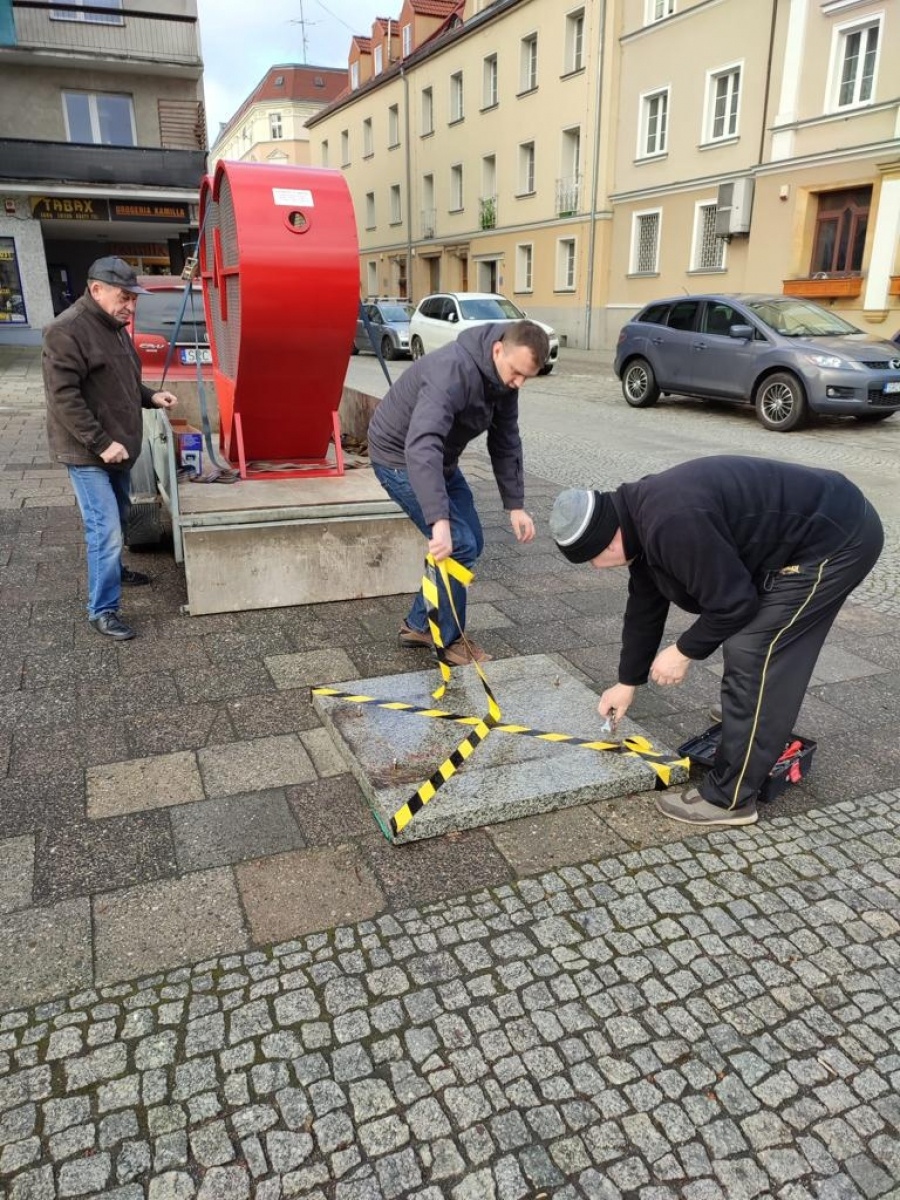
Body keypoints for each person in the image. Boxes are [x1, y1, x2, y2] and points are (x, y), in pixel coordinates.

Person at [550, 456, 883, 827]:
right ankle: (751, 720)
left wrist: (683, 651)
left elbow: (735, 604)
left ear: (610, 539)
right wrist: (627, 682)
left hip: (837, 541)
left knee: (754, 648)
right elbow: (645, 605)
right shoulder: (637, 516)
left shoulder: (671, 523)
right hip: (809, 528)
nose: (596, 568)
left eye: (593, 558)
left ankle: (730, 798)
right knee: (750, 644)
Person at [368, 320, 550, 666]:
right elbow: (422, 446)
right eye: (515, 373)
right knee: (459, 544)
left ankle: (419, 624)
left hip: (441, 460)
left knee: (472, 541)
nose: (518, 383)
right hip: (400, 457)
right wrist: (438, 521)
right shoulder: (451, 372)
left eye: (527, 377)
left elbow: (506, 439)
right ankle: (449, 641)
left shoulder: (504, 382)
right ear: (498, 350)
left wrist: (515, 505)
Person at [42, 256, 178, 641]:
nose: (130, 306)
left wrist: (152, 397)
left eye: (134, 299)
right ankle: (102, 609)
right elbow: (63, 397)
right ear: (96, 289)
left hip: (118, 447)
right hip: (88, 452)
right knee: (105, 530)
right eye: (124, 297)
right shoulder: (65, 330)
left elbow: (122, 381)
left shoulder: (114, 326)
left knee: (118, 517)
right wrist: (102, 444)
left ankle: (114, 571)